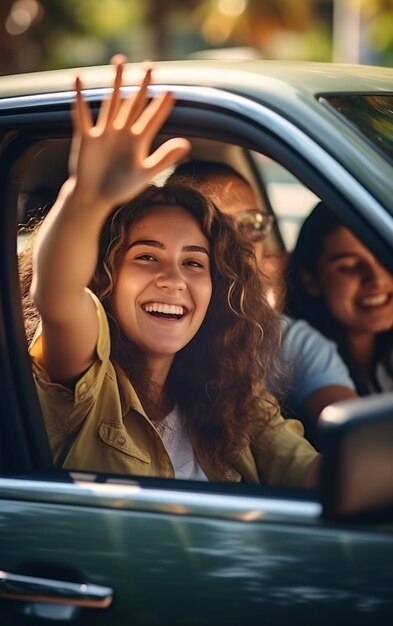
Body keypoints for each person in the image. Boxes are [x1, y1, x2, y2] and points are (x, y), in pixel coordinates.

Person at [28, 59, 320, 487]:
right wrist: (86, 195)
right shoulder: (85, 382)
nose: (174, 279)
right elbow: (56, 295)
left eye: (194, 263)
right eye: (147, 257)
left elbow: (316, 476)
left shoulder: (235, 399)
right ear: (103, 275)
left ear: (216, 289)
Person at [168, 160, 357, 444]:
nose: (240, 243)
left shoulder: (291, 341)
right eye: (215, 226)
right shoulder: (142, 333)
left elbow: (349, 433)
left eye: (252, 224)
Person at [286, 201, 393, 395]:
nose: (377, 280)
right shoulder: (298, 359)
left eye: (385, 258)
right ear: (311, 280)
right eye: (350, 266)